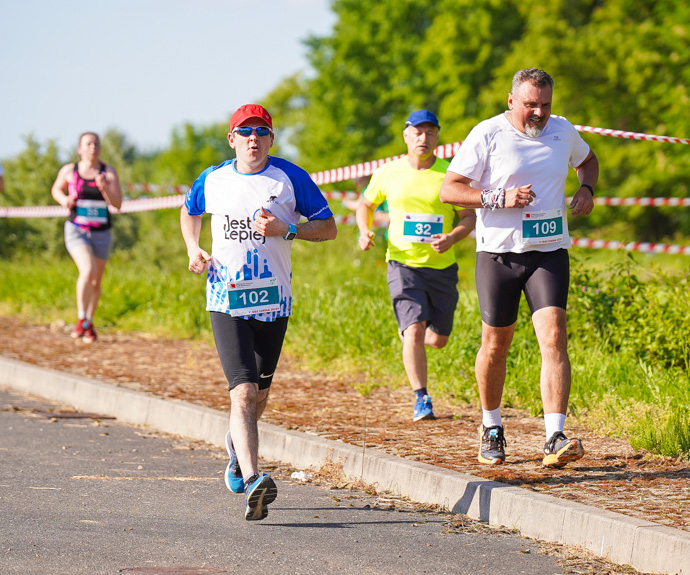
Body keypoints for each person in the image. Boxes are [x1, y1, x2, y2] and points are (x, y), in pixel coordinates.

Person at [180, 104, 337, 520]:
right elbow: (189, 210)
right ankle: (253, 479)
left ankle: (236, 450)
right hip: (225, 300)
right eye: (245, 132)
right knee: (244, 391)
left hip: (273, 301)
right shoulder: (213, 179)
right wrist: (193, 248)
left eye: (261, 132)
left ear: (271, 138)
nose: (254, 139)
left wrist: (286, 229)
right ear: (232, 139)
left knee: (260, 395)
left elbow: (328, 227)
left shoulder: (290, 178)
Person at [440, 68, 599, 468]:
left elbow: (589, 161)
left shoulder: (562, 131)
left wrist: (586, 188)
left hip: (548, 251)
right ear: (512, 101)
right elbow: (449, 188)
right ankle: (491, 426)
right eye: (531, 105)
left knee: (554, 336)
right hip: (499, 255)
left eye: (545, 105)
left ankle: (554, 435)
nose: (538, 113)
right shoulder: (488, 134)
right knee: (496, 345)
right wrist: (498, 197)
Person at [357, 110, 476, 422]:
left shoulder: (449, 175)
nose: (424, 138)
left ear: (437, 138)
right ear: (406, 135)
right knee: (413, 332)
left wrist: (451, 238)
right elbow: (365, 204)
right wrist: (363, 230)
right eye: (417, 133)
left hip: (441, 267)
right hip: (402, 264)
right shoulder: (388, 172)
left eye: (430, 133)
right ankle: (421, 399)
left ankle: (417, 330)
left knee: (437, 339)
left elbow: (468, 218)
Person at [51, 132, 123, 343]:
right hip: (77, 230)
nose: (93, 147)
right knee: (87, 270)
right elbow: (56, 189)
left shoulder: (108, 172)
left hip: (102, 232)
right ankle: (81, 319)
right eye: (88, 144)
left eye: (96, 144)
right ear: (80, 149)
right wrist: (64, 199)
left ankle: (89, 322)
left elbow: (118, 204)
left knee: (96, 280)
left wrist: (104, 189)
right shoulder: (69, 170)